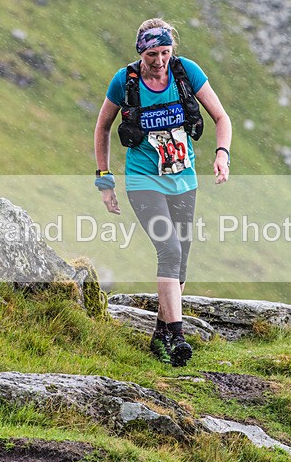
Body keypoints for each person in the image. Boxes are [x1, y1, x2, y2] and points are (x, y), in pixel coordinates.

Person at [93, 18, 232, 367]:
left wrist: (221, 155)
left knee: (181, 259)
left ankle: (159, 337)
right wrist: (105, 180)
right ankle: (179, 337)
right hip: (143, 182)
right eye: (152, 53)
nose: (159, 61)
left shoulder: (187, 73)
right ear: (141, 51)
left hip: (184, 182)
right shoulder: (125, 81)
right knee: (168, 250)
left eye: (165, 52)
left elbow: (221, 118)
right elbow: (102, 128)